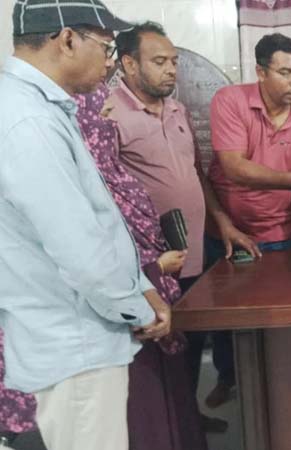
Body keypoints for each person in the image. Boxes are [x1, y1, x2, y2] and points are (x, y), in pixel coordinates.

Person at [0, 2, 170, 449]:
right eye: (106, 47)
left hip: (73, 336)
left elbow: (94, 221)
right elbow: (81, 250)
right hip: (75, 345)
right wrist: (137, 309)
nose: (110, 63)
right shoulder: (29, 121)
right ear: (68, 39)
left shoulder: (36, 106)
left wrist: (139, 287)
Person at [109, 21, 246, 429]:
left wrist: (221, 220)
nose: (171, 69)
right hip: (151, 261)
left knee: (190, 340)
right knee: (154, 351)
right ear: (129, 64)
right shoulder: (109, 114)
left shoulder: (177, 109)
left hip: (192, 252)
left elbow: (195, 174)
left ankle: (187, 420)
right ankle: (163, 429)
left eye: (173, 61)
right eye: (159, 62)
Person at [75, 85, 208, 450]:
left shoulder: (111, 171)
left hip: (150, 301)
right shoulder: (79, 184)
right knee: (142, 416)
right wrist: (153, 267)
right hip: (122, 322)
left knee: (169, 402)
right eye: (103, 115)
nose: (109, 124)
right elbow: (91, 258)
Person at [208, 32, 291, 253]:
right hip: (226, 234)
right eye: (286, 73)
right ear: (261, 72)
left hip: (279, 236)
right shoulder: (230, 100)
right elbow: (234, 168)